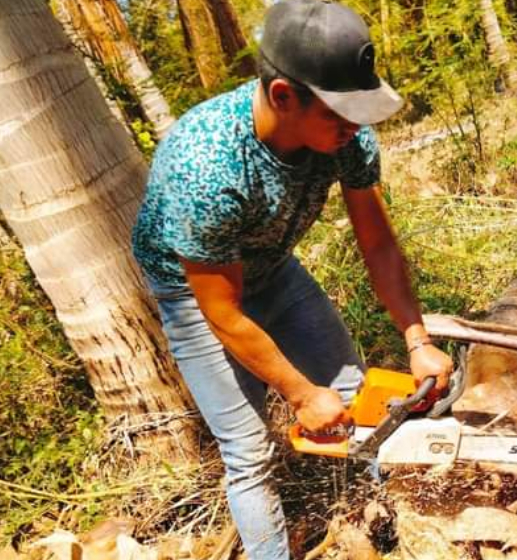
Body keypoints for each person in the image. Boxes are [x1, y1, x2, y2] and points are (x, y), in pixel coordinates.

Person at [130, 1, 453, 558]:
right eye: (339, 112)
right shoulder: (205, 166)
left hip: (272, 266)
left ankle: (390, 526)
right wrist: (300, 392)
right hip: (196, 292)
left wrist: (416, 339)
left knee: (357, 393)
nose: (354, 125)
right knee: (249, 451)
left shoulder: (348, 139)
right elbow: (223, 313)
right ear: (283, 95)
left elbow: (376, 242)